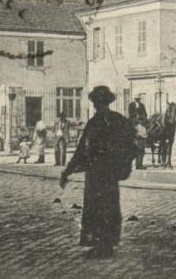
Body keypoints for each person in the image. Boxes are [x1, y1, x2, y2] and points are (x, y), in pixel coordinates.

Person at [60, 86, 135, 259]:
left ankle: (102, 245)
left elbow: (81, 151)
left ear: (97, 103)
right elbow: (132, 142)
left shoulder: (95, 123)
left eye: (97, 103)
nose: (97, 106)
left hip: (97, 174)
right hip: (107, 174)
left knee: (97, 207)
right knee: (108, 206)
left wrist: (67, 171)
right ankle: (105, 244)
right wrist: (123, 165)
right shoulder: (118, 120)